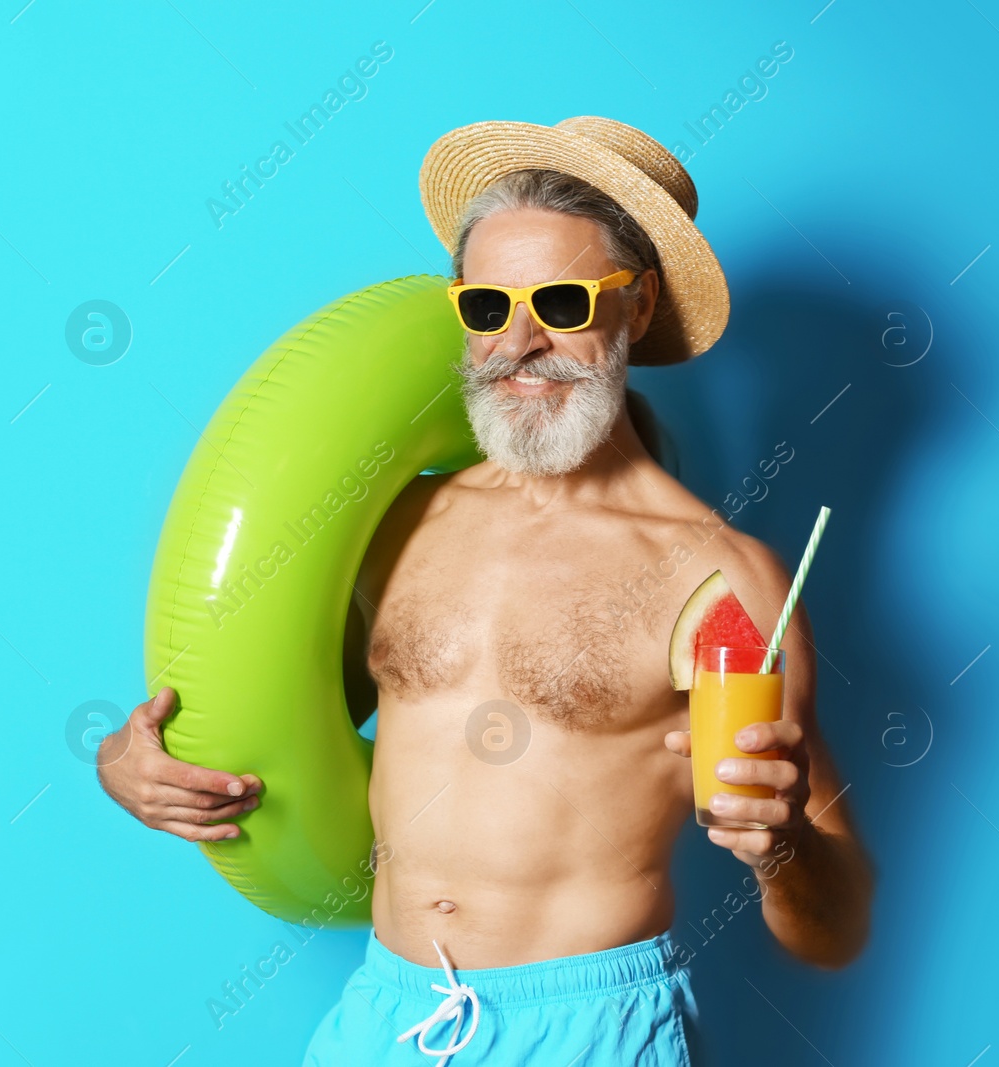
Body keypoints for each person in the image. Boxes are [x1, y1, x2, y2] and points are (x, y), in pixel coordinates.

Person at [97, 115, 873, 1065]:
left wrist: (782, 843)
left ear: (636, 307)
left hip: (586, 1027)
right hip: (385, 1013)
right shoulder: (399, 527)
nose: (522, 339)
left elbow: (834, 933)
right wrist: (140, 766)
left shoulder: (718, 583)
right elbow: (264, 705)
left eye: (562, 300)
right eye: (488, 306)